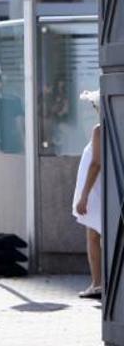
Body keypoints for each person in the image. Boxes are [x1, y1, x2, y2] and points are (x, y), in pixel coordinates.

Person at [73, 90, 103, 299]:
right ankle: (99, 283)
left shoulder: (100, 130)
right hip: (102, 188)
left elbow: (95, 164)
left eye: (94, 106)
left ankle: (98, 283)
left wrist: (83, 195)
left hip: (97, 190)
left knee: (93, 236)